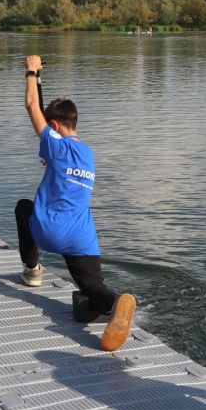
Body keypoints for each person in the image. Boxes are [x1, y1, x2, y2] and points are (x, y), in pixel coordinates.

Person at [15, 55, 137, 352]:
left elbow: (32, 106)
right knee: (93, 289)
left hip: (49, 232)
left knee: (23, 208)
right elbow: (59, 153)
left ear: (54, 125)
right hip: (81, 238)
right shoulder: (88, 154)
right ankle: (114, 302)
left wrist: (32, 70)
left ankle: (33, 270)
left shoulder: (54, 145)